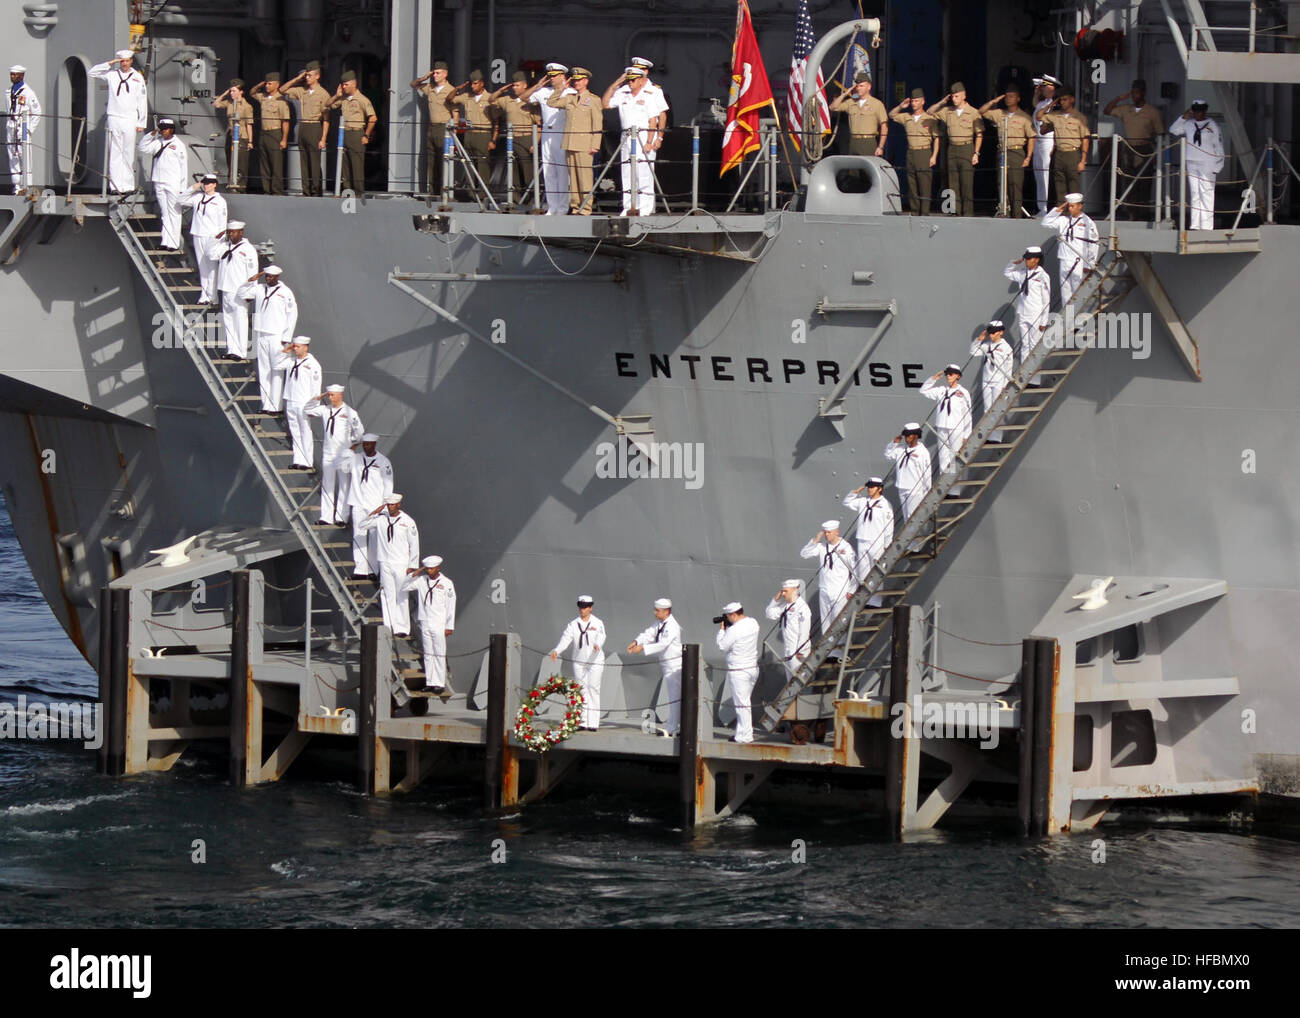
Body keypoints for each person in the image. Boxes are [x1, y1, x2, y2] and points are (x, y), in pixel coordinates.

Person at [603, 66, 668, 216]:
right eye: (628, 79)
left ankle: (645, 207)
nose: (630, 82)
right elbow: (605, 104)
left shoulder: (650, 95)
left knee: (643, 172)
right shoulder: (623, 93)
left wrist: (653, 140)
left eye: (633, 80)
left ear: (640, 80)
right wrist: (616, 84)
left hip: (643, 135)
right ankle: (629, 206)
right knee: (627, 172)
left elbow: (655, 120)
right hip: (626, 135)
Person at [237, 265, 298, 410]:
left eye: (271, 276)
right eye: (267, 276)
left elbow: (292, 315)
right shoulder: (259, 288)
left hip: (276, 334)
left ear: (277, 277)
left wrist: (286, 336)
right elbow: (242, 294)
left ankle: (275, 405)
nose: (268, 278)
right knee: (264, 369)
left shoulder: (285, 292)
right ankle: (266, 404)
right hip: (261, 333)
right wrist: (251, 280)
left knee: (276, 369)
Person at [1103, 79, 1164, 221]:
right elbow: (1107, 110)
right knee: (1129, 181)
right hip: (1129, 148)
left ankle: (1143, 214)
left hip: (1145, 148)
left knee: (1144, 184)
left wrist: (1157, 153)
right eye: (1133, 92)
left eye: (1137, 92)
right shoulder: (1126, 109)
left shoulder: (1152, 112)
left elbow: (1161, 133)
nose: (1135, 96)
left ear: (1143, 93)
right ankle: (1132, 213)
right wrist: (1119, 98)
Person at [360, 494, 420, 637]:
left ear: (398, 505)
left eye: (393, 505)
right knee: (387, 595)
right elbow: (362, 525)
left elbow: (414, 544)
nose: (390, 507)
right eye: (388, 505)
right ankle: (389, 626)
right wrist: (375, 512)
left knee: (401, 595)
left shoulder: (407, 521)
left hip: (401, 563)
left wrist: (413, 565)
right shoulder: (381, 519)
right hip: (385, 562)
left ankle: (402, 628)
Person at [89, 50, 148, 194]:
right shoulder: (112, 75)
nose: (125, 64)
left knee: (128, 152)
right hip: (114, 117)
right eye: (122, 61)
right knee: (115, 152)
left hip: (130, 118)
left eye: (127, 61)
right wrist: (110, 63)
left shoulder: (137, 78)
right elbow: (92, 73)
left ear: (131, 61)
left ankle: (127, 186)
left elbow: (142, 100)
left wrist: (142, 122)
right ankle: (115, 186)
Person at [547, 68, 603, 215]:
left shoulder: (593, 100)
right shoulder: (570, 98)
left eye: (579, 80)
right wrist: (562, 88)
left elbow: (597, 124)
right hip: (570, 142)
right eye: (575, 80)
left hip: (585, 144)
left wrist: (595, 144)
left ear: (586, 81)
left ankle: (586, 207)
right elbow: (551, 103)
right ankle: (575, 206)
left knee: (584, 177)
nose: (577, 83)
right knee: (573, 178)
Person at [306, 384, 363, 525]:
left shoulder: (350, 412)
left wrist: (351, 447)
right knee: (327, 484)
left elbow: (360, 433)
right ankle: (326, 516)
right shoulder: (325, 410)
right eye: (329, 395)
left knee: (344, 485)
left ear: (340, 395)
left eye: (332, 395)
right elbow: (307, 410)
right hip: (328, 453)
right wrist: (317, 398)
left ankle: (341, 517)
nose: (330, 397)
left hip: (342, 454)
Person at [523, 64, 574, 215]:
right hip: (546, 132)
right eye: (550, 76)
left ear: (562, 76)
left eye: (554, 76)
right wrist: (536, 86)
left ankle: (563, 207)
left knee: (562, 171)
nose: (551, 78)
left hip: (561, 132)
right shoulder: (543, 91)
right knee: (548, 170)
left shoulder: (570, 92)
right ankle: (552, 207)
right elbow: (523, 98)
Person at [627, 598, 682, 736]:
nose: (655, 612)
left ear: (666, 611)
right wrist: (636, 641)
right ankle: (674, 725)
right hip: (666, 664)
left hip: (674, 666)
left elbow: (663, 644)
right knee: (673, 696)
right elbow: (649, 633)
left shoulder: (672, 626)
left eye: (657, 610)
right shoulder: (660, 623)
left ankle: (672, 728)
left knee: (675, 697)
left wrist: (643, 648)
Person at [550, 595, 606, 729]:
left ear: (590, 608)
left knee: (593, 689)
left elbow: (602, 635)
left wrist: (597, 644)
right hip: (579, 661)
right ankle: (582, 721)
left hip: (594, 661)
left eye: (585, 607)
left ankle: (593, 723)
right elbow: (566, 639)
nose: (582, 609)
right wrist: (557, 650)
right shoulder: (573, 624)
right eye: (580, 606)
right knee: (581, 691)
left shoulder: (597, 623)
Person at [978, 86, 1035, 218]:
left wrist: (1028, 156)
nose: (1008, 99)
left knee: (1015, 185)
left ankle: (1016, 216)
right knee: (1001, 184)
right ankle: (1005, 213)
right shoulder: (999, 113)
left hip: (1016, 152)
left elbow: (1032, 137)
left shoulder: (1024, 117)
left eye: (1012, 96)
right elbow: (981, 111)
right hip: (1002, 152)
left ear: (1018, 98)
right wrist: (994, 101)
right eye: (1007, 96)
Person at [401, 555, 456, 692]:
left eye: (432, 568)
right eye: (427, 569)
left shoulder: (447, 583)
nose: (429, 571)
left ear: (438, 568)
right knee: (428, 653)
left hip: (439, 622)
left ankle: (440, 683)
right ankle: (431, 682)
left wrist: (449, 626)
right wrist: (415, 573)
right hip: (425, 621)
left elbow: (451, 606)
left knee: (439, 652)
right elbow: (404, 587)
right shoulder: (421, 581)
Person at [928, 83, 984, 216]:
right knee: (953, 182)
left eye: (957, 96)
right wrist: (942, 102)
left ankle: (967, 213)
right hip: (952, 149)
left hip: (966, 147)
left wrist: (976, 153)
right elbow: (930, 111)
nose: (954, 99)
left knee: (966, 183)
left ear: (964, 96)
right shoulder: (948, 111)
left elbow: (979, 134)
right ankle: (955, 211)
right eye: (953, 96)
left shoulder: (973, 112)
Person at [1169, 100, 1224, 231]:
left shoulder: (1212, 125)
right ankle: (1195, 224)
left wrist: (1219, 165)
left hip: (1208, 162)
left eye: (1200, 110)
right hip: (1191, 161)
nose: (1198, 113)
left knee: (1206, 192)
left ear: (1205, 111)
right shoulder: (1188, 124)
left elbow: (1219, 146)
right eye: (1195, 111)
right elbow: (1174, 130)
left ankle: (1206, 226)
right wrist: (1183, 117)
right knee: (1195, 193)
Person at [207, 220, 258, 359]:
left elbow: (253, 273)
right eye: (229, 232)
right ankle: (231, 350)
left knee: (240, 321)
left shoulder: (248, 250)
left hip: (239, 291)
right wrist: (216, 238)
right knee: (228, 320)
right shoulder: (225, 246)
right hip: (225, 289)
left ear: (241, 232)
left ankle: (241, 352)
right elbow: (210, 254)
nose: (231, 234)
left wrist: (250, 293)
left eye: (233, 232)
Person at [800, 519, 857, 643]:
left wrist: (852, 590)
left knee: (839, 621)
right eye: (825, 532)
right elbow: (804, 554)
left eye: (829, 532)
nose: (827, 535)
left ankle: (839, 651)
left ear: (837, 532)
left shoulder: (845, 548)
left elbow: (854, 570)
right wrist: (815, 540)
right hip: (825, 589)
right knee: (826, 621)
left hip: (840, 590)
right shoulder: (822, 548)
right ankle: (828, 651)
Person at [346, 433, 394, 578]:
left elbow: (388, 485)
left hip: (375, 504)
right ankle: (360, 569)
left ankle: (373, 569)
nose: (366, 446)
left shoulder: (383, 461)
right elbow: (340, 462)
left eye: (369, 444)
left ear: (374, 444)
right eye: (364, 444)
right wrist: (354, 446)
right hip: (358, 502)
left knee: (374, 536)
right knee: (358, 534)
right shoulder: (356, 459)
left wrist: (385, 505)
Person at [136, 117, 188, 251]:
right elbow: (142, 147)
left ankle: (174, 243)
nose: (163, 131)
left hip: (173, 182)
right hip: (159, 181)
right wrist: (152, 133)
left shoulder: (178, 145)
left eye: (165, 129)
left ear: (171, 129)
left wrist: (182, 188)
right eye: (161, 129)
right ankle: (166, 241)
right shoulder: (157, 142)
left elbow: (184, 167)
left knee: (174, 213)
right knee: (165, 213)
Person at [491, 72, 541, 205]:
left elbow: (539, 125)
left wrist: (535, 143)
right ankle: (515, 198)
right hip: (512, 139)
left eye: (517, 85)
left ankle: (531, 198)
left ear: (525, 86)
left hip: (526, 138)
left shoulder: (531, 103)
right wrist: (502, 90)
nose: (514, 88)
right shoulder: (507, 100)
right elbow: (491, 100)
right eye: (513, 85)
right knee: (513, 169)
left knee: (528, 170)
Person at [1034, 86, 1090, 205]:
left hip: (1073, 153)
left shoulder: (1080, 117)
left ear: (1072, 100)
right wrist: (1052, 104)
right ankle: (1062, 213)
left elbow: (1085, 139)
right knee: (1060, 185)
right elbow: (1038, 116)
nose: (1063, 102)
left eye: (1065, 99)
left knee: (1073, 186)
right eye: (1061, 100)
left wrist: (1083, 161)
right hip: (1059, 153)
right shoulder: (1055, 115)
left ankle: (1074, 214)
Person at [282, 62, 331, 196]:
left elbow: (326, 119)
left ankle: (316, 191)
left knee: (314, 162)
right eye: (306, 75)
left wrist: (323, 138)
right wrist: (298, 79)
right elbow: (283, 90)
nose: (307, 78)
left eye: (309, 75)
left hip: (315, 126)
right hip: (303, 126)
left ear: (317, 76)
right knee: (304, 162)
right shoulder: (302, 90)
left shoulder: (323, 94)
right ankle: (306, 191)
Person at [1043, 192, 1099, 305]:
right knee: (1065, 293)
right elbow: (1045, 223)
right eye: (1069, 206)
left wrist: (1089, 263)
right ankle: (1067, 320)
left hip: (1078, 261)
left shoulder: (1087, 222)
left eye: (1072, 206)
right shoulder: (1063, 220)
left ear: (1080, 206)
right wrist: (1058, 209)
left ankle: (1076, 318)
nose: (1070, 208)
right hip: (1064, 259)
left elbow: (1093, 244)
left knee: (1077, 292)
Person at [715, 601, 759, 744]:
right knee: (745, 702)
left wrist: (722, 630)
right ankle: (741, 733)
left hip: (739, 670)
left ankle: (745, 736)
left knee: (741, 704)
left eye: (728, 616)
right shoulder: (753, 623)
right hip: (752, 668)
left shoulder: (733, 630)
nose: (727, 619)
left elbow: (722, 646)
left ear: (733, 614)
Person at [179, 174, 227, 303]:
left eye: (209, 183)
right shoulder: (198, 198)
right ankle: (204, 294)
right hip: (198, 234)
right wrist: (193, 187)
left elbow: (222, 222)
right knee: (202, 266)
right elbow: (181, 200)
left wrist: (220, 240)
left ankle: (213, 296)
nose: (206, 185)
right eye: (205, 183)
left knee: (212, 267)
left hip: (212, 237)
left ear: (215, 184)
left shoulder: (220, 201)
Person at [889, 89, 938, 215]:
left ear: (923, 102)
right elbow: (891, 115)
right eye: (912, 101)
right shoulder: (907, 117)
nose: (914, 103)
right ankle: (915, 211)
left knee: (924, 184)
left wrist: (934, 156)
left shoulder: (929, 119)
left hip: (924, 152)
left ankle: (925, 212)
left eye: (916, 101)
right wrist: (901, 106)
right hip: (911, 152)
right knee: (912, 185)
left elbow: (937, 138)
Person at [410, 61, 455, 196]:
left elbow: (455, 113)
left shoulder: (451, 91)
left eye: (438, 73)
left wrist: (454, 132)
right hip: (431, 127)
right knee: (431, 160)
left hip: (444, 128)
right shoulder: (430, 88)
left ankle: (444, 191)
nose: (435, 75)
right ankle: (432, 191)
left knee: (443, 161)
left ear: (445, 74)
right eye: (434, 72)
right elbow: (413, 84)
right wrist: (425, 77)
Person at [449, 70, 497, 195]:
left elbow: (497, 121)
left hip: (483, 133)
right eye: (472, 84)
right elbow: (450, 98)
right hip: (469, 134)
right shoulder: (467, 97)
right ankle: (471, 193)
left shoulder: (490, 98)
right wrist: (458, 88)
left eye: (475, 83)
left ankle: (483, 193)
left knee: (483, 164)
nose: (473, 86)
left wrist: (493, 140)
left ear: (482, 84)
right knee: (469, 163)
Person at [329, 70, 377, 196]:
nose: (344, 87)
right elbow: (327, 105)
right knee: (345, 164)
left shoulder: (362, 100)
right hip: (345, 133)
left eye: (346, 85)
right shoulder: (343, 99)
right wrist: (336, 95)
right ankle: (347, 191)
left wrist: (366, 135)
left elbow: (373, 118)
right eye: (342, 85)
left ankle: (359, 192)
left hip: (357, 133)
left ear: (353, 84)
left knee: (356, 165)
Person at [920, 365, 973, 475]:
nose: (948, 376)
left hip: (956, 428)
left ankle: (954, 489)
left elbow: (967, 415)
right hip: (942, 427)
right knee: (943, 456)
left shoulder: (963, 393)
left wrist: (966, 434)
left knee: (955, 456)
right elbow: (923, 390)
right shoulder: (941, 391)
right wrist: (933, 379)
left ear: (958, 376)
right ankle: (943, 482)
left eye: (951, 374)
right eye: (947, 374)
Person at [277, 336, 322, 468]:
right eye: (294, 346)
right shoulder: (292, 361)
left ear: (306, 347)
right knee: (295, 431)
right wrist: (286, 350)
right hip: (290, 399)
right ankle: (298, 459)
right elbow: (276, 364)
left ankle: (307, 461)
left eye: (297, 347)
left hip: (303, 402)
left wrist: (314, 406)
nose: (295, 349)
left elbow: (316, 387)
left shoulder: (313, 364)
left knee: (305, 431)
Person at [842, 476, 894, 588]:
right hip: (862, 540)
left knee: (876, 571)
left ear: (879, 488)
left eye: (872, 487)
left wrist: (887, 545)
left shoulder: (885, 505)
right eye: (868, 487)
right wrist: (854, 492)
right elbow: (846, 502)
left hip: (877, 541)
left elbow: (889, 527)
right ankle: (866, 601)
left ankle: (875, 603)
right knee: (863, 571)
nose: (869, 489)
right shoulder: (863, 502)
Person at [1004, 245, 1052, 358]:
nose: (1026, 261)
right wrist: (1014, 263)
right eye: (1026, 258)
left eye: (1029, 258)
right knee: (1025, 345)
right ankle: (1024, 374)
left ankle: (1035, 375)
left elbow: (1046, 300)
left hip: (1036, 314)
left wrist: (1043, 322)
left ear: (1037, 259)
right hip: (1023, 313)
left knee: (1035, 346)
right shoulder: (1022, 273)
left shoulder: (1042, 276)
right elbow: (1007, 273)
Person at [969, 320, 1014, 436]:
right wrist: (979, 339)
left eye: (994, 332)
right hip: (986, 380)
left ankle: (996, 436)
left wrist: (1005, 385)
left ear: (1001, 332)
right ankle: (987, 433)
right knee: (987, 409)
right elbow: (973, 352)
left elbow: (1008, 367)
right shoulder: (986, 345)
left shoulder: (1006, 348)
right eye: (990, 333)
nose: (991, 335)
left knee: (997, 409)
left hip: (999, 381)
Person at [249, 73, 290, 195]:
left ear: (277, 84)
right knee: (264, 163)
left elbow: (285, 122)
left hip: (275, 132)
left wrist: (284, 139)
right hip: (263, 133)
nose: (267, 85)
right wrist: (260, 84)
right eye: (266, 83)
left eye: (269, 83)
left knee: (276, 163)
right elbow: (252, 92)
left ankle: (277, 190)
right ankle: (267, 189)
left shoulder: (281, 100)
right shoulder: (263, 97)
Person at [830, 71, 888, 157]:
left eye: (862, 86)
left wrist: (881, 147)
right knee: (853, 169)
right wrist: (844, 94)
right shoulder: (851, 102)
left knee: (867, 170)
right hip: (853, 142)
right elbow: (832, 107)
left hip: (868, 142)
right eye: (857, 86)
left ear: (869, 87)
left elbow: (884, 126)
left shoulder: (877, 104)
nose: (858, 88)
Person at [885, 423, 932, 522]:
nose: (906, 438)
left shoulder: (922, 452)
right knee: (906, 517)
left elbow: (926, 473)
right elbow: (888, 455)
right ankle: (910, 537)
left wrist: (927, 492)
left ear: (916, 435)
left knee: (913, 517)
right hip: (902, 487)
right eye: (905, 435)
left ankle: (913, 537)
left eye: (909, 435)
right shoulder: (901, 450)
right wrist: (894, 443)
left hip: (915, 489)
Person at [213, 79, 254, 191]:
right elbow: (216, 104)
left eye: (234, 91)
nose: (232, 93)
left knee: (241, 163)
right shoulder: (230, 103)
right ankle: (231, 184)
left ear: (241, 92)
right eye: (231, 91)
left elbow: (249, 124)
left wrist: (250, 141)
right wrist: (226, 92)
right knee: (230, 161)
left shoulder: (247, 106)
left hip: (242, 135)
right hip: (231, 135)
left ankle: (241, 186)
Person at [765, 580, 812, 678]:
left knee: (800, 681)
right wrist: (775, 601)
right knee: (790, 682)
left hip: (798, 652)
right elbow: (769, 614)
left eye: (785, 591)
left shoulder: (802, 608)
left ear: (794, 590)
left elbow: (804, 631)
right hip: (788, 650)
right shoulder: (786, 607)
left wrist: (801, 651)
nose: (783, 593)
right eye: (782, 591)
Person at [5, 65, 41, 194]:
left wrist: (29, 129)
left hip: (23, 127)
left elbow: (37, 112)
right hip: (11, 126)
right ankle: (17, 187)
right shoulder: (8, 91)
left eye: (15, 75)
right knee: (12, 156)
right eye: (11, 74)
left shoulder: (28, 92)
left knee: (24, 156)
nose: (13, 77)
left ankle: (28, 186)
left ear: (21, 76)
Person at [1030, 74, 1062, 214]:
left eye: (1045, 86)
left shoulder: (1056, 104)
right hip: (1038, 140)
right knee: (1038, 174)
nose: (1042, 88)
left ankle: (1046, 207)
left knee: (1045, 174)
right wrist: (1036, 93)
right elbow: (1035, 105)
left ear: (1052, 87)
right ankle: (1040, 206)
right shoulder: (1044, 102)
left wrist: (1054, 145)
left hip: (1048, 141)